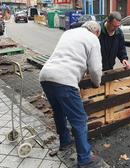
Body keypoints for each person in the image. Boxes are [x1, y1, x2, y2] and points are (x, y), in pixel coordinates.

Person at [39, 21, 103, 168]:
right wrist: (96, 83)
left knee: (59, 113)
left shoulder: (69, 33)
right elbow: (95, 68)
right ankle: (85, 159)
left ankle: (65, 143)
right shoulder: (93, 39)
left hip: (45, 76)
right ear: (96, 32)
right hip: (64, 80)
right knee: (79, 119)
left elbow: (66, 55)